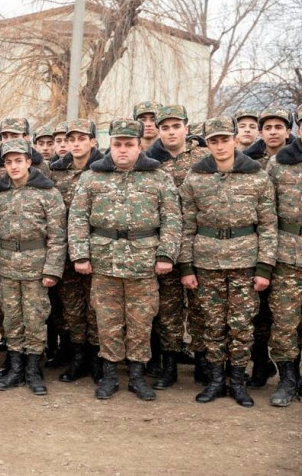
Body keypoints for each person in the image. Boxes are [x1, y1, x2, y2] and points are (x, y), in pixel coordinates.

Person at [68, 118, 181, 401]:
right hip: (104, 261)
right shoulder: (92, 177)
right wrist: (80, 255)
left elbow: (172, 219)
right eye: (117, 144)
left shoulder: (158, 177)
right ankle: (109, 376)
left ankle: (137, 377)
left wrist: (166, 254)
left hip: (143, 261)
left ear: (139, 146)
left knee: (141, 322)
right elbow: (78, 218)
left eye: (129, 144)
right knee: (107, 321)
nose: (122, 149)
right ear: (110, 145)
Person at [179, 116, 277, 407]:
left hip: (245, 261)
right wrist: (186, 267)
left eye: (225, 139)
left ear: (235, 140)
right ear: (207, 144)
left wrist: (264, 267)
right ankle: (215, 381)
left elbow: (268, 225)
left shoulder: (257, 176)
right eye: (214, 141)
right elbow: (186, 225)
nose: (220, 146)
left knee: (241, 325)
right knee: (212, 325)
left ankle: (237, 382)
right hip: (206, 262)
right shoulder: (195, 177)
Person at [0, 138, 66, 395]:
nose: (14, 166)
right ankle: (15, 367)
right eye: (9, 162)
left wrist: (52, 269)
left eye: (18, 161)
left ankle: (33, 369)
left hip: (36, 267)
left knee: (35, 318)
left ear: (29, 162)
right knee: (11, 318)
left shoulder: (48, 193)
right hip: (7, 265)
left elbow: (57, 236)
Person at [144, 104, 210, 389]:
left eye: (176, 126)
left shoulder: (204, 156)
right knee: (168, 308)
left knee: (200, 305)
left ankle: (203, 361)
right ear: (159, 131)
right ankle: (168, 364)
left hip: (199, 242)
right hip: (165, 243)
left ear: (187, 128)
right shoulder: (149, 161)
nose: (171, 132)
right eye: (165, 127)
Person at [48, 119, 104, 382]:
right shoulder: (56, 172)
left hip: (97, 249)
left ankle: (96, 358)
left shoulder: (104, 170)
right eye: (72, 139)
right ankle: (78, 356)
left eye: (82, 139)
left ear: (92, 141)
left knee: (96, 306)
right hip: (66, 251)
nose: (76, 144)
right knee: (72, 307)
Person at [243, 106, 293, 388]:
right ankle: (260, 363)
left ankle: (293, 370)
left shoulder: (297, 158)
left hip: (289, 245)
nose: (273, 132)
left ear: (288, 131)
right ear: (261, 132)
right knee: (258, 310)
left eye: (278, 127)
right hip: (257, 243)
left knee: (287, 312)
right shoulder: (249, 160)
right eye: (268, 128)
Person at [265, 101, 302, 406]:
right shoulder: (278, 164)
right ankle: (287, 379)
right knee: (284, 320)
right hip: (286, 253)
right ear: (298, 131)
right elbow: (267, 214)